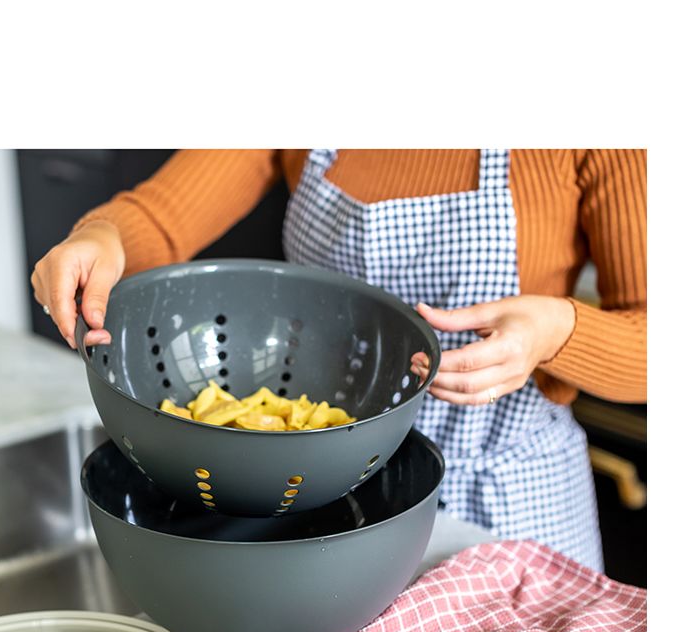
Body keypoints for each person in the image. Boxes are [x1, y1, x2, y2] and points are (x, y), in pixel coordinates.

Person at [32, 150, 647, 571]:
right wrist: (102, 235)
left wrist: (560, 332)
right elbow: (162, 216)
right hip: (329, 502)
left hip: (511, 513)